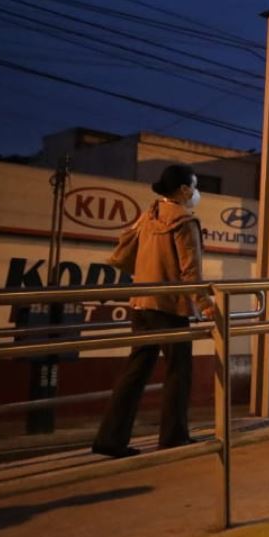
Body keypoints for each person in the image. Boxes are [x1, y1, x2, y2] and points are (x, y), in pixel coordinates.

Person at [93, 164, 216, 458]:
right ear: (184, 190)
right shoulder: (184, 222)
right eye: (195, 186)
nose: (196, 192)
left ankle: (110, 439)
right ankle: (173, 435)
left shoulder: (149, 216)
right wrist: (206, 305)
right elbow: (190, 272)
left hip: (141, 304)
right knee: (179, 371)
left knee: (134, 373)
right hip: (169, 307)